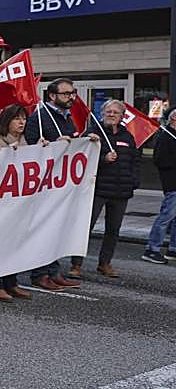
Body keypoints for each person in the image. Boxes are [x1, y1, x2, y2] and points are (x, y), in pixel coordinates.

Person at [23, 78, 81, 289]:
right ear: (52, 96)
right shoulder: (40, 117)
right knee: (44, 231)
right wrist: (51, 146)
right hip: (44, 186)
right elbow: (31, 150)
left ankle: (54, 271)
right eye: (66, 94)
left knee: (57, 230)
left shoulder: (67, 117)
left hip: (60, 185)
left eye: (72, 93)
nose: (71, 97)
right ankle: (39, 274)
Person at [72, 100, 139, 279]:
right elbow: (81, 158)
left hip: (120, 191)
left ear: (122, 116)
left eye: (115, 112)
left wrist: (133, 181)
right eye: (108, 111)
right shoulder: (93, 132)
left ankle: (105, 263)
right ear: (102, 113)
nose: (111, 115)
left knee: (113, 230)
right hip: (97, 189)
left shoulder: (127, 136)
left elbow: (135, 160)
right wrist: (103, 159)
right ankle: (76, 264)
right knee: (86, 228)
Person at [0, 104, 35, 302]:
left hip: (17, 203)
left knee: (13, 245)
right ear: (7, 120)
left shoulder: (24, 140)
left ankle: (11, 282)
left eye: (24, 118)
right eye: (17, 118)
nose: (22, 122)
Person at [143, 109, 176, 264]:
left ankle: (173, 249)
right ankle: (152, 249)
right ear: (174, 118)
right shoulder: (165, 136)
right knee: (166, 216)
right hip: (172, 183)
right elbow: (159, 160)